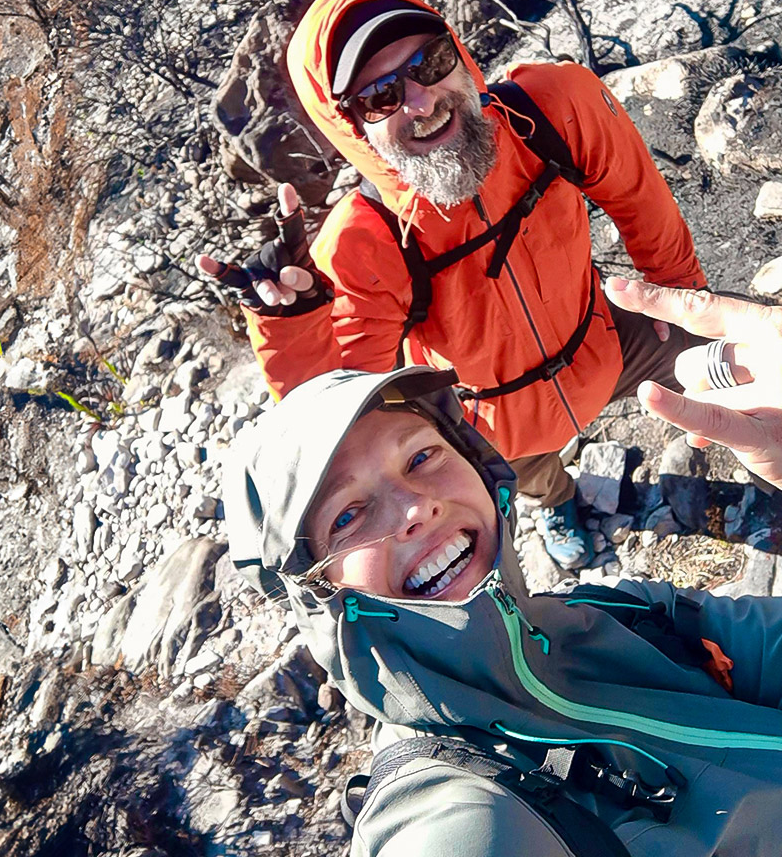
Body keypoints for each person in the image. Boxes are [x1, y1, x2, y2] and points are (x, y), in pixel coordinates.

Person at [200, 0, 710, 570]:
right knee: (528, 473)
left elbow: (639, 200)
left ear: (459, 51)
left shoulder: (552, 109)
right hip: (496, 425)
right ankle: (557, 500)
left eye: (431, 62)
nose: (423, 101)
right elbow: (338, 431)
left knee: (726, 355)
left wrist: (677, 292)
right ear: (349, 127)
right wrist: (292, 321)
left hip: (605, 339)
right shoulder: (364, 242)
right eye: (381, 96)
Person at [224, 365, 782, 857]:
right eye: (347, 516)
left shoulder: (617, 611)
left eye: (422, 456)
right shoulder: (451, 804)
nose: (418, 506)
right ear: (316, 591)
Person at [605, 277, 782, 490]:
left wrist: (677, 281)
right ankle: (560, 497)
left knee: (705, 376)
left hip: (607, 331)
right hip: (560, 423)